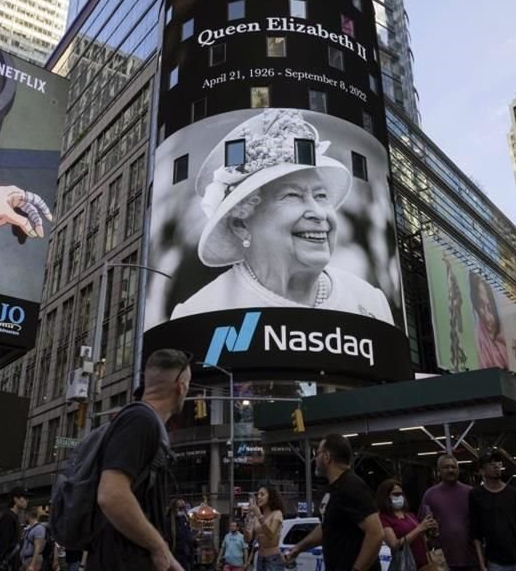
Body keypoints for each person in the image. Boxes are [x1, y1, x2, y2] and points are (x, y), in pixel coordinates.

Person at [170, 108, 393, 323]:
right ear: (241, 225)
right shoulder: (199, 312)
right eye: (292, 195)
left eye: (321, 195)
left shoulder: (371, 301)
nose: (318, 213)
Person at [89, 349, 191, 570]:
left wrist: (169, 558)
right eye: (188, 385)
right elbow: (111, 495)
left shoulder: (144, 421)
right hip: (122, 561)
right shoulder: (140, 420)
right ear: (180, 386)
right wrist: (158, 548)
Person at [284, 434, 384, 571]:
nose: (315, 458)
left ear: (326, 457)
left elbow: (376, 533)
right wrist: (298, 548)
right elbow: (327, 527)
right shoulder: (334, 489)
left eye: (317, 453)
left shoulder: (351, 486)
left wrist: (357, 569)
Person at [469, 450, 516, 571]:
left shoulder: (514, 494)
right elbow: (476, 532)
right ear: (481, 471)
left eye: (498, 462)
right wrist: (482, 563)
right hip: (495, 561)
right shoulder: (476, 495)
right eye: (490, 463)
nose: (496, 465)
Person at [421, 454, 477, 571]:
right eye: (446, 467)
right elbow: (423, 526)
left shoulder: (471, 493)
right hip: (442, 560)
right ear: (439, 471)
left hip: (471, 557)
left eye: (453, 467)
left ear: (458, 469)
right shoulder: (430, 495)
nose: (450, 470)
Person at [376, 478, 437, 571]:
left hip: (425, 565)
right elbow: (395, 545)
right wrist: (419, 528)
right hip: (405, 566)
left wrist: (431, 531)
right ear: (385, 496)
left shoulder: (410, 516)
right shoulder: (384, 518)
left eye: (401, 494)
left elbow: (422, 540)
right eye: (396, 494)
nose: (400, 497)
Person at [469, 272, 507, 369]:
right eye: (481, 307)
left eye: (489, 307)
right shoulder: (477, 343)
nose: (486, 316)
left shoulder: (507, 333)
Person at [245, 486, 285, 571]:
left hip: (273, 558)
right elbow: (247, 539)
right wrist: (247, 524)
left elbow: (270, 534)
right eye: (258, 495)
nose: (258, 497)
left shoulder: (277, 513)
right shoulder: (257, 517)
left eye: (262, 494)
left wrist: (259, 515)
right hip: (260, 557)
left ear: (271, 497)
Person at [0, 487, 32, 563]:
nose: (27, 501)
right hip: (7, 563)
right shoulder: (8, 517)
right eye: (24, 498)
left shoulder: (14, 517)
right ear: (15, 499)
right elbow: (4, 543)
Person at [169, 500, 195, 571]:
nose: (183, 510)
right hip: (176, 555)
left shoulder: (184, 519)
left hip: (187, 555)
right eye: (180, 508)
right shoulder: (170, 521)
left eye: (184, 507)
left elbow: (188, 536)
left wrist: (194, 540)